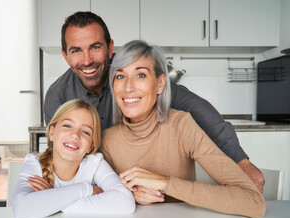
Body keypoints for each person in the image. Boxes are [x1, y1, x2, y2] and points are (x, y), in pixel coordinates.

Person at [44, 11, 265, 193]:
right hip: (104, 194)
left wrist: (240, 162)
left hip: (150, 193)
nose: (87, 60)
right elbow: (64, 160)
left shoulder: (132, 74)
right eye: (76, 51)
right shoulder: (57, 97)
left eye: (95, 47)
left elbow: (195, 107)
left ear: (110, 47)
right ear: (65, 55)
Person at [101, 40, 265, 218]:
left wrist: (164, 183)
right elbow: (98, 199)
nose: (128, 87)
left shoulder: (182, 125)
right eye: (120, 76)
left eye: (140, 75)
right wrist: (130, 195)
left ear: (160, 84)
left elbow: (254, 203)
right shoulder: (107, 140)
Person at [12, 99, 135, 218]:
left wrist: (55, 204)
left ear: (90, 146)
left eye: (85, 132)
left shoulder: (95, 163)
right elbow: (21, 210)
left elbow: (126, 202)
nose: (75, 135)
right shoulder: (34, 163)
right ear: (51, 132)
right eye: (67, 125)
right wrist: (87, 188)